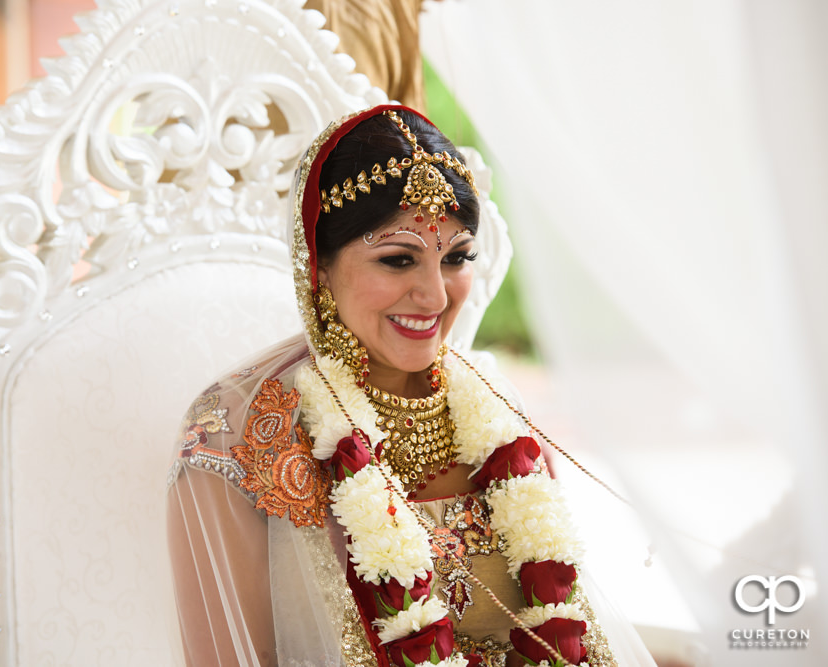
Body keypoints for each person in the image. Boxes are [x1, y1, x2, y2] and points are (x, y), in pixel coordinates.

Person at [165, 105, 654, 667]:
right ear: (317, 266)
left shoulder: (496, 412)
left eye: (457, 258)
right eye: (398, 260)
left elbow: (567, 630)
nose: (436, 297)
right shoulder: (237, 435)